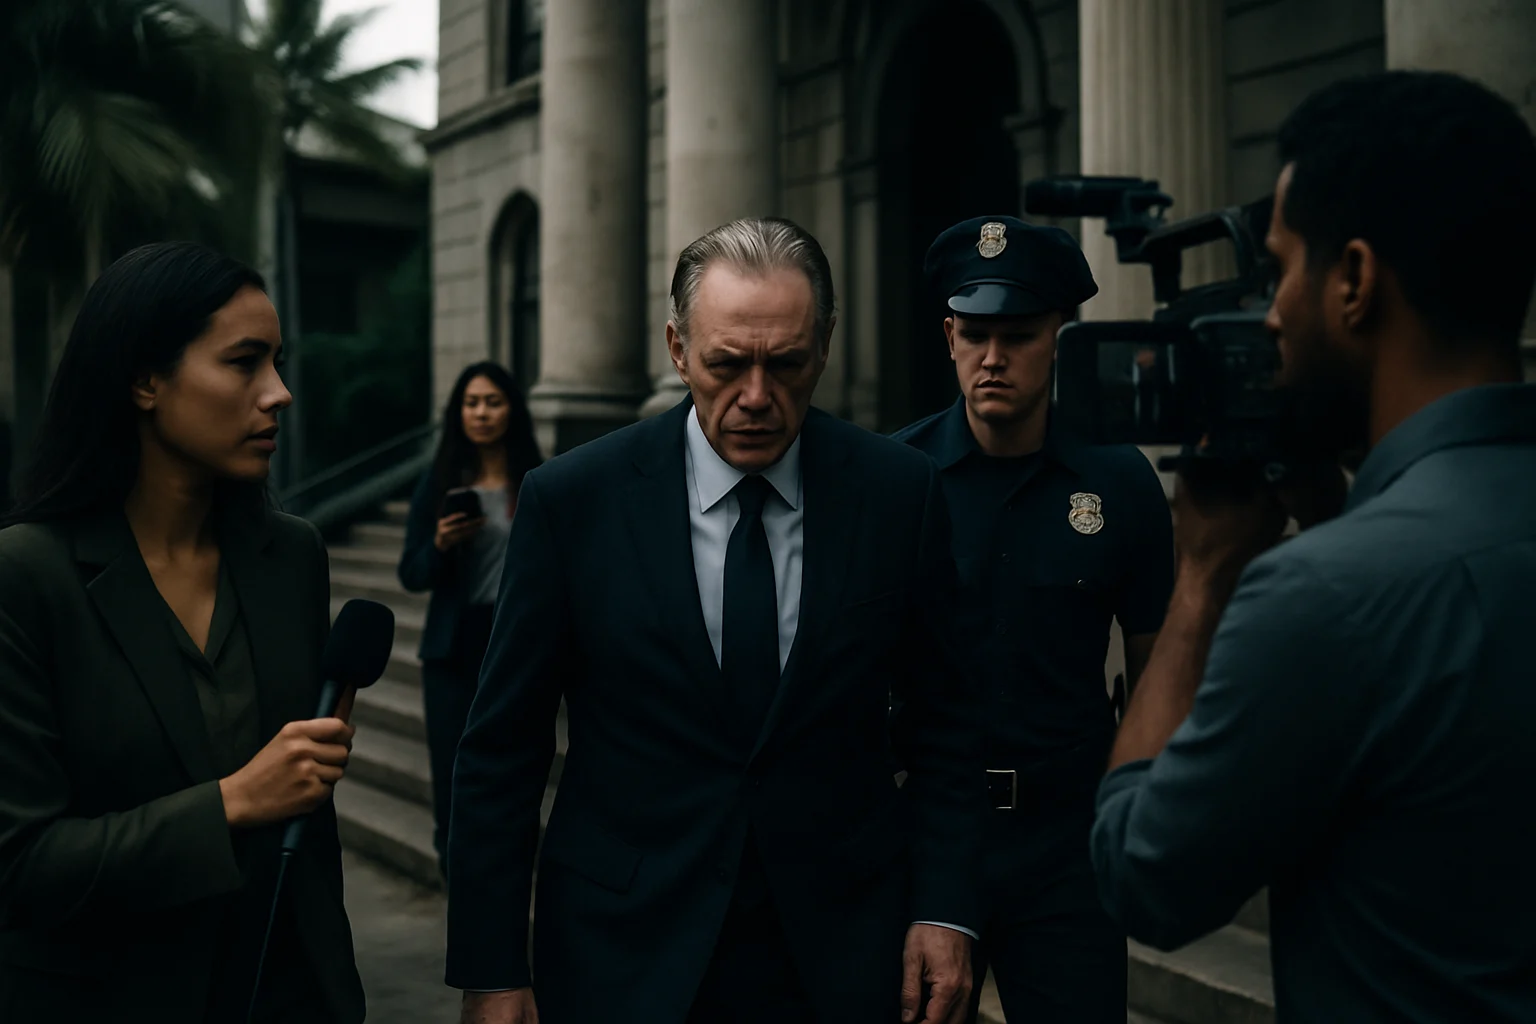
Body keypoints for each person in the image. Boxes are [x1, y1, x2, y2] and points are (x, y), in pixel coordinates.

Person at [446, 217, 986, 1024]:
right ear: (676, 349)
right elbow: (502, 750)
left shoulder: (898, 493)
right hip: (622, 951)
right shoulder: (572, 502)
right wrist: (492, 969)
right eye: (726, 364)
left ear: (827, 345)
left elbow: (950, 723)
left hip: (840, 952)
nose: (758, 397)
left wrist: (945, 909)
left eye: (788, 364)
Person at [1091, 70, 1536, 1021]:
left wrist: (1204, 575)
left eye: (1282, 267)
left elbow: (1144, 875)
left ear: (1357, 280)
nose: (1272, 313)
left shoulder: (1320, 596)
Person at [0, 242, 364, 1023]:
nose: (280, 393)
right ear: (142, 379)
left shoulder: (290, 557)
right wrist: (231, 802)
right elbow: (20, 863)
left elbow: (308, 830)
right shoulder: (27, 576)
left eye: (278, 361)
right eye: (244, 363)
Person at [893, 216, 1173, 1022]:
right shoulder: (897, 482)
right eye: (974, 334)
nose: (992, 357)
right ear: (948, 335)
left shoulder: (1119, 486)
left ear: (1060, 336)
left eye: (1017, 335)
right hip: (924, 833)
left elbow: (1157, 674)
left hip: (1064, 843)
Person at [398, 361, 542, 877]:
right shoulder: (437, 482)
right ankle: (454, 867)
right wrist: (439, 545)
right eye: (472, 402)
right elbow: (411, 572)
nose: (482, 413)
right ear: (458, 412)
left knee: (513, 765)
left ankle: (508, 864)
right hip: (453, 649)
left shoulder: (536, 481)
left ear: (512, 410)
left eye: (494, 401)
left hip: (513, 645)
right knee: (453, 768)